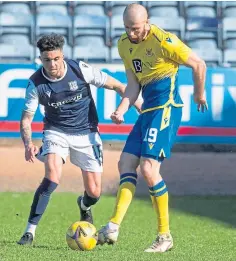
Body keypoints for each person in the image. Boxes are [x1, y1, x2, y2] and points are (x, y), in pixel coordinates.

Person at [98, 3, 208, 253]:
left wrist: (199, 95)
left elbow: (199, 64)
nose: (132, 33)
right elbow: (133, 84)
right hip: (146, 110)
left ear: (146, 22)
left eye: (135, 28)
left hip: (166, 106)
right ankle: (113, 227)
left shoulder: (164, 40)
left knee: (148, 168)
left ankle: (164, 236)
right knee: (125, 163)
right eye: (127, 28)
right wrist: (122, 109)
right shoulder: (124, 44)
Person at [17, 33, 142, 246]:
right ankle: (29, 232)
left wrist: (139, 106)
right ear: (41, 59)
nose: (52, 64)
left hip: (88, 133)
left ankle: (84, 206)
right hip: (56, 132)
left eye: (56, 59)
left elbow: (118, 86)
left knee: (94, 192)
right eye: (47, 60)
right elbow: (26, 120)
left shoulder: (79, 69)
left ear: (62, 56)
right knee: (52, 176)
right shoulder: (35, 84)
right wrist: (28, 144)